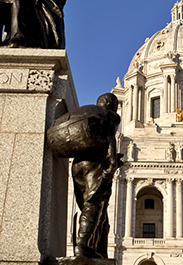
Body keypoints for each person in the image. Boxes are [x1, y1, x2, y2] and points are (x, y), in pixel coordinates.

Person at [46, 94, 122, 259]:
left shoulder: (91, 113)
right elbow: (110, 141)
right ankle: (82, 245)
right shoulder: (110, 116)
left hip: (79, 164)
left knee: (97, 214)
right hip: (96, 166)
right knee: (93, 206)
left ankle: (97, 250)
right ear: (113, 105)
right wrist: (112, 162)